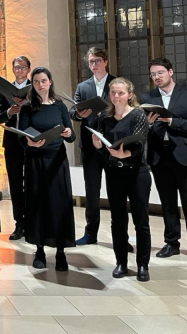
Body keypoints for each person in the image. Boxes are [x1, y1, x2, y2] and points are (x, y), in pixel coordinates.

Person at [141, 58, 187, 263]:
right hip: (160, 157)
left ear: (170, 72)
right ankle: (171, 243)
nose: (156, 77)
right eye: (153, 74)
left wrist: (172, 121)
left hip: (185, 158)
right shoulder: (147, 98)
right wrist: (149, 125)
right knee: (167, 203)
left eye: (160, 73)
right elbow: (141, 129)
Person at [92, 78, 151, 281]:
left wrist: (124, 155)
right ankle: (121, 263)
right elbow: (103, 153)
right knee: (117, 220)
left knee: (140, 221)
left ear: (130, 95)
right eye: (113, 93)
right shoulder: (104, 118)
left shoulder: (138, 115)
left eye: (121, 93)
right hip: (114, 174)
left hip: (137, 173)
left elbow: (139, 144)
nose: (116, 96)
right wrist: (99, 147)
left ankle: (143, 265)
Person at [18, 67, 76, 272]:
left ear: (50, 82)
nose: (40, 85)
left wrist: (68, 132)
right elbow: (20, 135)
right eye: (35, 82)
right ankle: (40, 250)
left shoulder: (60, 105)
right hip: (35, 161)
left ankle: (61, 252)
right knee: (38, 204)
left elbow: (71, 136)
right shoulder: (27, 107)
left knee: (59, 204)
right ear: (32, 84)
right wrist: (29, 143)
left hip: (57, 161)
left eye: (43, 81)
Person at [70, 47, 114, 246]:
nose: (93, 65)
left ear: (105, 62)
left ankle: (118, 234)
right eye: (90, 62)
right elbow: (73, 111)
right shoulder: (83, 86)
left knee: (116, 191)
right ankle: (90, 233)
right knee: (92, 191)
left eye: (97, 61)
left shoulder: (116, 83)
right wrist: (80, 114)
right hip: (89, 145)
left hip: (112, 144)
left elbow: (126, 109)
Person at [0, 56, 31, 241]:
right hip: (12, 143)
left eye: (23, 67)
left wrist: (27, 105)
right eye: (16, 67)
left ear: (28, 70)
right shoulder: (5, 91)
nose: (19, 70)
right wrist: (9, 112)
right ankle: (20, 223)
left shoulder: (35, 89)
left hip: (32, 141)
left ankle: (32, 221)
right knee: (16, 185)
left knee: (32, 182)